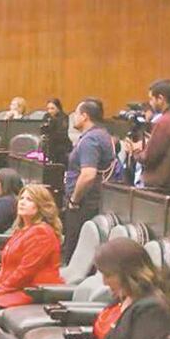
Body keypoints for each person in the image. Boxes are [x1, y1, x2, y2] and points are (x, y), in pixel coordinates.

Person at [0, 184, 63, 312]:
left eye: (29, 200)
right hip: (17, 288)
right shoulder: (23, 230)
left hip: (32, 291)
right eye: (22, 198)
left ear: (41, 206)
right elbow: (7, 268)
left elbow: (25, 272)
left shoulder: (41, 233)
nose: (22, 202)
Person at [62, 99, 116, 263]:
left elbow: (88, 175)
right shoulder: (102, 134)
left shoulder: (90, 140)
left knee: (74, 255)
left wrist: (74, 200)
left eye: (76, 114)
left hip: (83, 205)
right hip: (95, 200)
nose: (74, 117)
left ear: (85, 116)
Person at [39, 98, 72, 165]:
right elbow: (43, 129)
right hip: (49, 144)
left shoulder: (64, 117)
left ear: (58, 108)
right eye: (48, 108)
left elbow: (62, 133)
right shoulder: (46, 116)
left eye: (52, 108)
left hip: (62, 146)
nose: (50, 111)